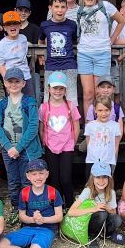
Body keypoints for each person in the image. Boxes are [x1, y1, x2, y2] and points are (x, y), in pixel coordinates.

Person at [0, 67, 44, 220]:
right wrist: (9, 147)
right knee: (13, 181)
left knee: (27, 180)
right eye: (10, 81)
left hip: (26, 149)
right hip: (8, 150)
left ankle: (28, 208)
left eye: (17, 81)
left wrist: (19, 148)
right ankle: (16, 207)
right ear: (5, 83)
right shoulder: (2, 104)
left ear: (23, 83)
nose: (13, 84)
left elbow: (33, 126)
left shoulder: (29, 102)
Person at [0, 159, 61, 248]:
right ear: (28, 176)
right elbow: (22, 216)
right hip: (29, 228)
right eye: (34, 174)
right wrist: (33, 219)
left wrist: (43, 220)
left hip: (47, 229)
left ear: (47, 174)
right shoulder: (24, 192)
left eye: (41, 173)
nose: (38, 177)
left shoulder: (53, 192)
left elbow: (59, 217)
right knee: (1, 244)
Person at [76, 0, 125, 113]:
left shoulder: (106, 6)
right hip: (84, 54)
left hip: (102, 53)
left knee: (100, 93)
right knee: (88, 93)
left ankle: (103, 122)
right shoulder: (79, 10)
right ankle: (89, 124)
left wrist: (112, 39)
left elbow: (121, 21)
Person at [39, 72, 80, 205]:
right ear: (49, 89)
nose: (58, 91)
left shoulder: (70, 106)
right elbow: (41, 127)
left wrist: (72, 143)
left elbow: (76, 126)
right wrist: (45, 142)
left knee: (66, 179)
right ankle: (57, 205)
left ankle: (70, 205)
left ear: (65, 90)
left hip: (67, 147)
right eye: (55, 88)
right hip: (50, 147)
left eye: (61, 88)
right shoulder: (44, 107)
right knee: (54, 179)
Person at [67, 162, 125, 248]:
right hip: (89, 222)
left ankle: (106, 234)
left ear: (109, 179)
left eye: (104, 177)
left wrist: (107, 208)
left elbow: (114, 212)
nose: (101, 181)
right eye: (98, 177)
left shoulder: (111, 192)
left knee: (117, 219)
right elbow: (71, 212)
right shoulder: (88, 191)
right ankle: (91, 235)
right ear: (92, 178)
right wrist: (93, 209)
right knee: (101, 214)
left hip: (103, 221)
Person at [39, 0, 79, 106]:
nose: (59, 10)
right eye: (56, 6)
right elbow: (41, 41)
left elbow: (74, 40)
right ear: (50, 8)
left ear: (67, 8)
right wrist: (41, 55)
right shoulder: (45, 25)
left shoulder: (72, 24)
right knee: (48, 99)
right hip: (51, 66)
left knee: (71, 99)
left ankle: (71, 118)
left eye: (62, 7)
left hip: (69, 66)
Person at [0, 11, 34, 98]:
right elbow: (1, 65)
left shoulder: (23, 38)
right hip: (11, 79)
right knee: (14, 102)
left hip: (25, 77)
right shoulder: (1, 45)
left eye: (15, 23)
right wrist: (6, 81)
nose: (12, 26)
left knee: (29, 101)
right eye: (9, 24)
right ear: (4, 28)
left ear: (20, 25)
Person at [84, 97, 122, 168]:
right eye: (100, 110)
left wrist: (113, 162)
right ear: (95, 110)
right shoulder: (90, 126)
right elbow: (88, 144)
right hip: (92, 161)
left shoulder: (115, 126)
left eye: (106, 110)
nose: (103, 113)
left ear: (110, 110)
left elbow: (116, 146)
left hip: (108, 162)